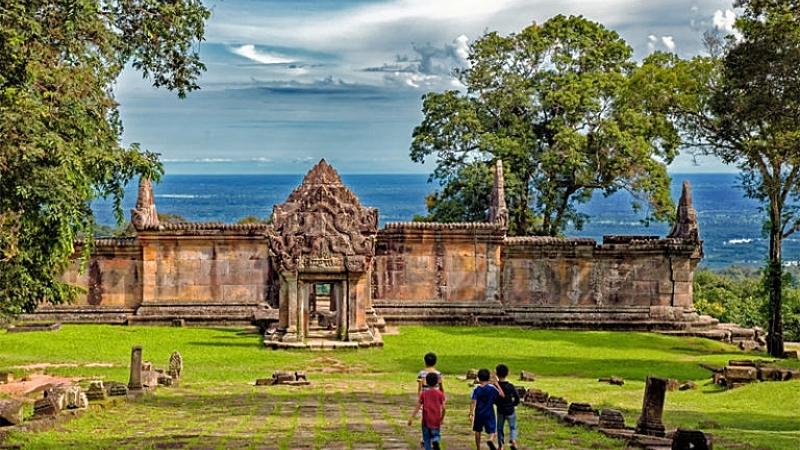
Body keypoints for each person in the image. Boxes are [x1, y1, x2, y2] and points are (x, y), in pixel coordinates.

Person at [408, 372, 447, 450]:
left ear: (426, 382)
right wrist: (442, 418)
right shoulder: (440, 394)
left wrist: (412, 417)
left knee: (426, 438)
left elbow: (418, 406)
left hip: (426, 420)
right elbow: (444, 408)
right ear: (436, 382)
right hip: (436, 419)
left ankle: (428, 448)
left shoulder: (424, 394)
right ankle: (435, 441)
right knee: (436, 434)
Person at [468, 368, 505, 450]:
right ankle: (490, 440)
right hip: (489, 413)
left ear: (478, 378)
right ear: (488, 378)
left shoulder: (476, 389)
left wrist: (471, 413)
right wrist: (497, 384)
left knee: (478, 431)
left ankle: (478, 448)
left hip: (479, 413)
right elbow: (502, 395)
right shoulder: (492, 388)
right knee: (493, 432)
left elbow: (473, 401)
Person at [494, 364, 520, 450]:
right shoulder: (510, 386)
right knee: (513, 427)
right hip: (510, 410)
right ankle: (513, 440)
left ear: (497, 374)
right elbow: (517, 397)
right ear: (507, 373)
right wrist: (514, 404)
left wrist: (497, 403)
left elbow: (494, 398)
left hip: (501, 410)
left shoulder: (496, 387)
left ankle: (501, 446)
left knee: (500, 428)